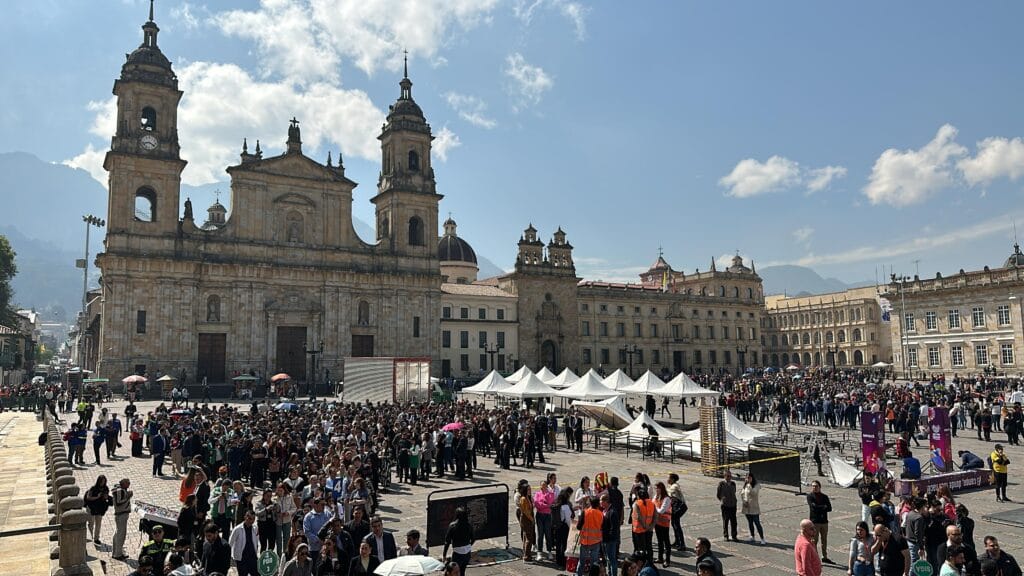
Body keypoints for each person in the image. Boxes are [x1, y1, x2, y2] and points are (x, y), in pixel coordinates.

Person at [575, 495, 603, 576]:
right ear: (598, 504)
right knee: (594, 563)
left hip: (585, 541)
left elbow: (578, 526)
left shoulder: (585, 512)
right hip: (596, 541)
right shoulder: (601, 514)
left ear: (590, 503)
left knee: (582, 562)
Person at [807, 480, 833, 563]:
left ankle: (824, 556)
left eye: (816, 486)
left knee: (824, 540)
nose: (814, 488)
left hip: (824, 522)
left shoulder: (825, 496)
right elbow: (813, 507)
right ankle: (815, 557)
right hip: (815, 522)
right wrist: (823, 507)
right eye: (813, 486)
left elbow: (829, 508)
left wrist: (820, 507)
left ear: (820, 487)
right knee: (814, 540)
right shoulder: (810, 496)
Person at [443, 506, 474, 576]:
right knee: (462, 572)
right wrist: (468, 546)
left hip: (457, 553)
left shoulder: (453, 526)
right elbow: (473, 539)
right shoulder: (468, 525)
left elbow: (447, 541)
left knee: (452, 572)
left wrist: (444, 555)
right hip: (467, 552)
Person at [228, 509, 260, 576]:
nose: (252, 521)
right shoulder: (237, 529)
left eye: (253, 519)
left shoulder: (255, 528)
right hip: (241, 558)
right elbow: (230, 543)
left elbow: (256, 540)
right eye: (250, 518)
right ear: (245, 517)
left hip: (252, 556)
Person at [303, 497, 332, 566]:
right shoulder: (308, 517)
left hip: (327, 548)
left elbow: (331, 527)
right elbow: (307, 532)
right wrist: (319, 540)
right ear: (315, 505)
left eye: (324, 504)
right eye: (322, 504)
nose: (324, 506)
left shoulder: (328, 514)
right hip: (314, 549)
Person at [83, 475, 111, 545]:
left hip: (100, 509)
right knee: (91, 523)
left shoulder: (106, 488)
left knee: (98, 524)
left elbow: (106, 497)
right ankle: (91, 537)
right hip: (91, 508)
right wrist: (97, 497)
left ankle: (96, 538)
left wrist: (105, 497)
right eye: (101, 481)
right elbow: (88, 498)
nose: (103, 483)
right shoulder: (93, 488)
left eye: (104, 481)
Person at [111, 478, 133, 560]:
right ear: (123, 484)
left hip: (121, 515)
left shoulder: (121, 490)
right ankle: (118, 554)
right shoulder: (120, 491)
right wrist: (128, 496)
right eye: (128, 483)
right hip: (121, 515)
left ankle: (116, 552)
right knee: (121, 535)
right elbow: (118, 502)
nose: (129, 484)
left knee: (118, 533)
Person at [631, 486, 655, 562]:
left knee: (640, 548)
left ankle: (641, 562)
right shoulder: (651, 503)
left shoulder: (637, 504)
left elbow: (638, 516)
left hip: (639, 530)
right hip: (649, 529)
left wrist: (644, 526)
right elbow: (655, 516)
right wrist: (651, 526)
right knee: (649, 546)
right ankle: (650, 561)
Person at [741, 472, 766, 546]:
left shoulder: (757, 485)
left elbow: (754, 493)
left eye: (749, 477)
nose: (748, 479)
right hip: (746, 507)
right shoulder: (745, 485)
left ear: (752, 478)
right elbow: (742, 493)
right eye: (747, 478)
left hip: (754, 508)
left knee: (757, 523)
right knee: (750, 522)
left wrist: (749, 485)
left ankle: (762, 538)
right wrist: (744, 501)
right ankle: (752, 536)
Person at [599, 491, 620, 576]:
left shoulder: (612, 512)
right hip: (605, 539)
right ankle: (609, 573)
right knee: (608, 559)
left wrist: (608, 538)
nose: (600, 502)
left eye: (601, 501)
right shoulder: (605, 510)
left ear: (605, 502)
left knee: (612, 559)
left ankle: (613, 574)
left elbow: (614, 528)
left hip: (610, 540)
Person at [516, 480, 536, 562]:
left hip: (528, 519)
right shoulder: (523, 499)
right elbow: (526, 512)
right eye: (528, 489)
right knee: (529, 538)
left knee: (526, 537)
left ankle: (526, 554)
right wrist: (532, 519)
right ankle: (527, 557)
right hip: (526, 520)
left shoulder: (528, 498)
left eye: (530, 489)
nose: (530, 491)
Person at [666, 473, 687, 552]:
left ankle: (682, 544)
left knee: (677, 526)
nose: (667, 479)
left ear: (673, 479)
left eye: (669, 478)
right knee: (674, 525)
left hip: (677, 508)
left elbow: (670, 494)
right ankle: (677, 541)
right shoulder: (673, 485)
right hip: (675, 508)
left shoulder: (674, 486)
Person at [716, 470, 738, 541]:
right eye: (728, 476)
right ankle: (726, 536)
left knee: (734, 521)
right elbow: (718, 494)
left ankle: (734, 536)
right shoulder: (721, 484)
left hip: (733, 505)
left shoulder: (733, 483)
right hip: (725, 506)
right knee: (725, 521)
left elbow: (734, 492)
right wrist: (722, 500)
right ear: (724, 476)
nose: (729, 478)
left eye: (730, 476)